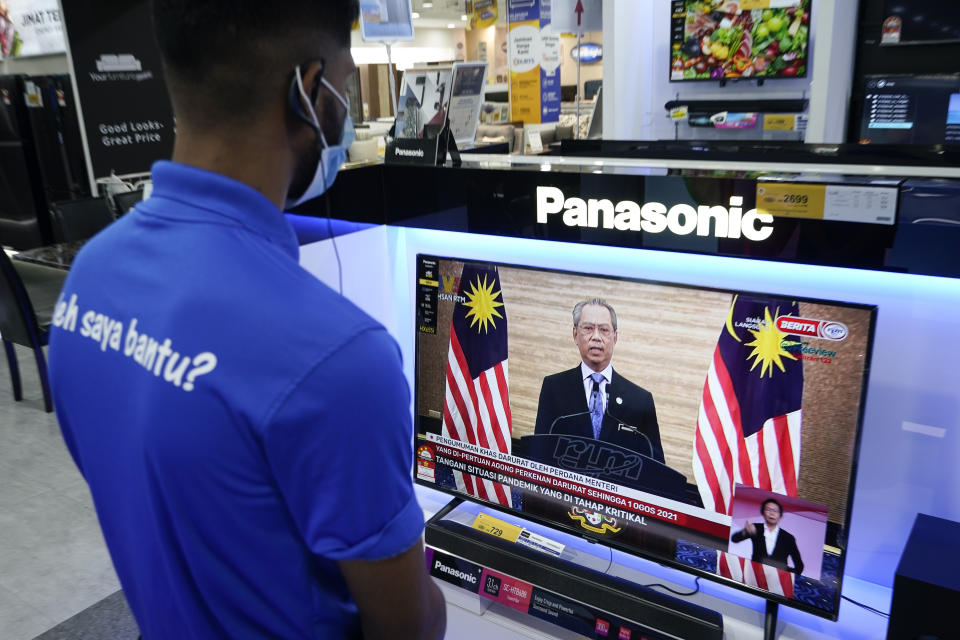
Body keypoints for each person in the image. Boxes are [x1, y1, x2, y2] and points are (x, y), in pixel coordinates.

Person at [47, 1, 445, 638]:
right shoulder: (337, 356)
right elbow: (409, 627)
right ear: (308, 91)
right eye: (346, 87)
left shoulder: (90, 276)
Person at [533, 299, 664, 463]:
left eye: (604, 330)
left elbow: (656, 467)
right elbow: (539, 453)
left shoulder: (640, 400)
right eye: (588, 328)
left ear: (615, 338)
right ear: (575, 335)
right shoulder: (554, 388)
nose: (596, 337)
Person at [731, 498, 805, 575]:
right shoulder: (756, 528)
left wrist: (785, 574)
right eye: (768, 510)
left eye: (775, 511)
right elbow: (734, 539)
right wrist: (745, 532)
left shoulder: (788, 538)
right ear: (763, 513)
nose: (771, 513)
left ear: (780, 515)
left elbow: (799, 567)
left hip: (777, 580)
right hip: (755, 575)